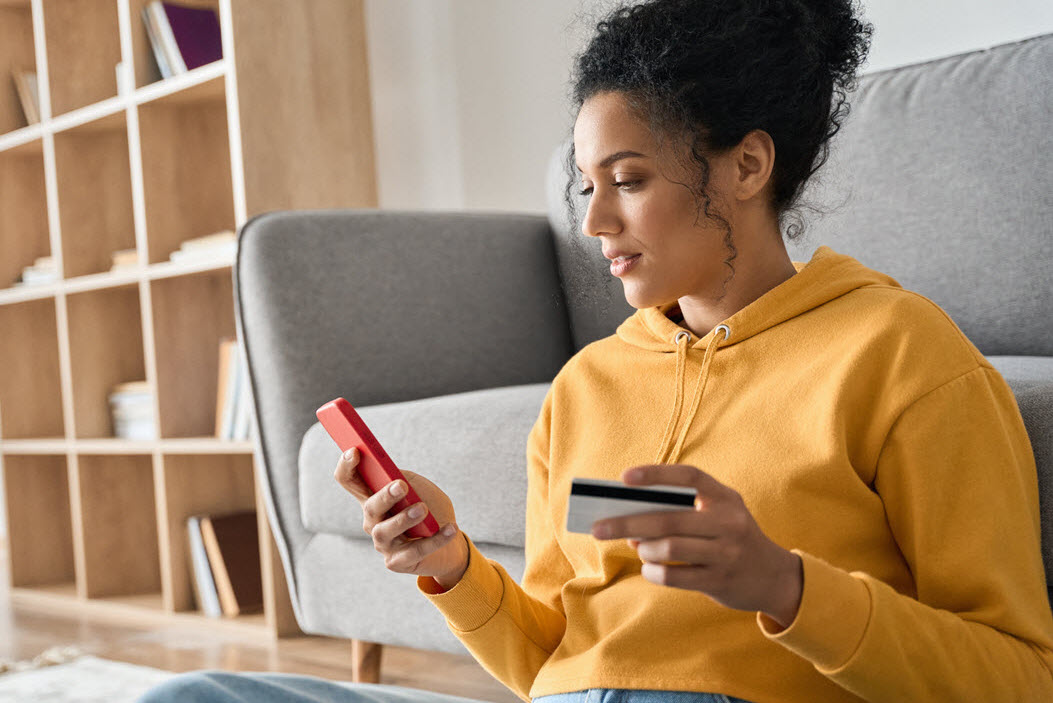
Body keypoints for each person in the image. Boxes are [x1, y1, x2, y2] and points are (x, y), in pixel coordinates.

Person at [138, 0, 1053, 702]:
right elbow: (551, 658)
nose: (592, 222)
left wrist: (783, 584)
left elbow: (1018, 674)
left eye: (628, 180)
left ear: (746, 165)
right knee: (190, 692)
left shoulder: (901, 355)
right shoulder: (588, 384)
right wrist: (451, 565)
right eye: (586, 184)